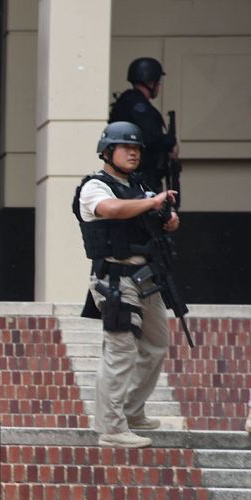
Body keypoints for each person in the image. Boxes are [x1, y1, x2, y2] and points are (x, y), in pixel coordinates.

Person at [73, 121, 180, 448]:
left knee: (157, 345)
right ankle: (112, 427)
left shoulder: (139, 186)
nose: (134, 153)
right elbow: (111, 210)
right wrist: (151, 203)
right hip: (115, 279)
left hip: (147, 277)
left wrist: (167, 216)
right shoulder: (96, 186)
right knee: (120, 351)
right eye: (126, 148)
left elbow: (166, 222)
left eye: (137, 149)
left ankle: (132, 410)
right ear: (108, 151)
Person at [108, 57, 178, 193]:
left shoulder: (129, 102)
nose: (159, 86)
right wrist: (170, 142)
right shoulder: (137, 105)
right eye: (158, 82)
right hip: (141, 175)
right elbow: (149, 136)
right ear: (150, 82)